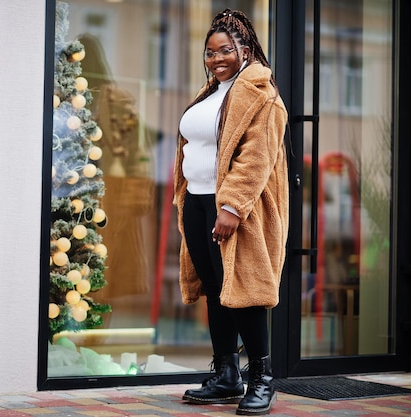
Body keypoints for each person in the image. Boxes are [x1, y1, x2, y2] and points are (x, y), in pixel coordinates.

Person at [172, 8, 289, 416]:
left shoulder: (262, 95)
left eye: (225, 50)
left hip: (238, 210)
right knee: (216, 291)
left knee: (245, 293)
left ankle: (262, 379)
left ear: (245, 48)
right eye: (209, 52)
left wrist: (232, 207)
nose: (216, 58)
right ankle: (226, 375)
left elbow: (256, 159)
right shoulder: (211, 93)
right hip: (198, 202)